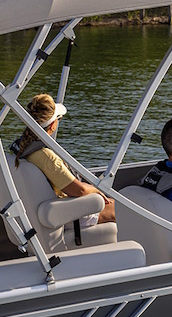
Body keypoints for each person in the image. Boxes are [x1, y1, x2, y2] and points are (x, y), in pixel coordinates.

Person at [9, 93, 117, 225]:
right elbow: (79, 191)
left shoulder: (23, 150)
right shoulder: (46, 157)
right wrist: (96, 190)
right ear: (52, 125)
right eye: (58, 118)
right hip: (68, 214)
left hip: (51, 211)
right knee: (123, 210)